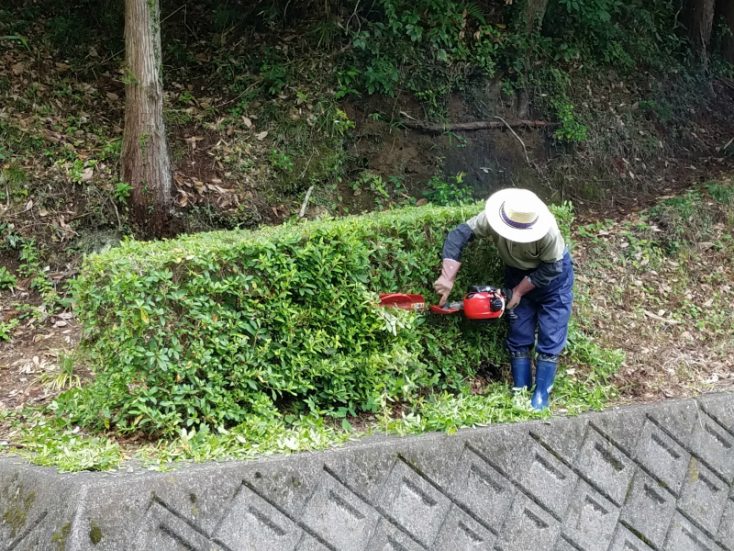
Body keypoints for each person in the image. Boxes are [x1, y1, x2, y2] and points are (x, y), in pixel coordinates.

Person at [433, 188, 574, 410]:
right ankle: (521, 389)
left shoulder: (548, 232)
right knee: (519, 329)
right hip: (516, 272)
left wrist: (518, 292)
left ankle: (541, 395)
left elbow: (553, 268)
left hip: (552, 279)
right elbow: (459, 235)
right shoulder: (492, 218)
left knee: (551, 331)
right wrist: (447, 277)